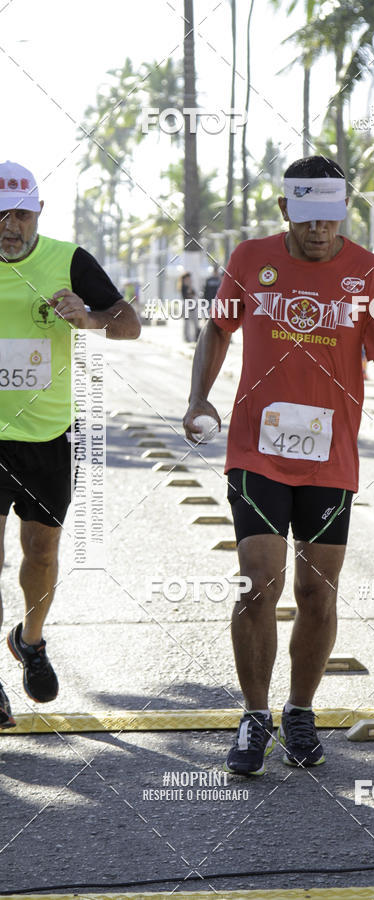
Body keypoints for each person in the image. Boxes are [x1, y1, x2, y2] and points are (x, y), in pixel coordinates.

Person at [183, 156, 374, 775]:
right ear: (285, 210)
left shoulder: (369, 274)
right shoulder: (250, 260)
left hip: (330, 458)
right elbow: (218, 331)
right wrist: (198, 398)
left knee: (317, 594)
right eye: (308, 217)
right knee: (258, 581)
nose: (320, 230)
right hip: (255, 451)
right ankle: (253, 715)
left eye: (331, 217)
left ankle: (299, 710)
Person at [0, 161, 140, 728]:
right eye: (1, 215)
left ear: (38, 214)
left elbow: (130, 322)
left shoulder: (69, 259)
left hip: (48, 436)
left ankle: (30, 641)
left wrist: (90, 317)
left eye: (21, 215)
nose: (10, 226)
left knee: (41, 554)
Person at [180, 272, 199, 342]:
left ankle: (196, 336)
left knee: (195, 321)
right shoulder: (183, 286)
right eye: (188, 278)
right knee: (187, 323)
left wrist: (190, 286)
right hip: (186, 305)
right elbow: (186, 295)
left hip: (192, 305)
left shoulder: (190, 285)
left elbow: (194, 294)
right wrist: (189, 289)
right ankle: (186, 337)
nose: (189, 279)